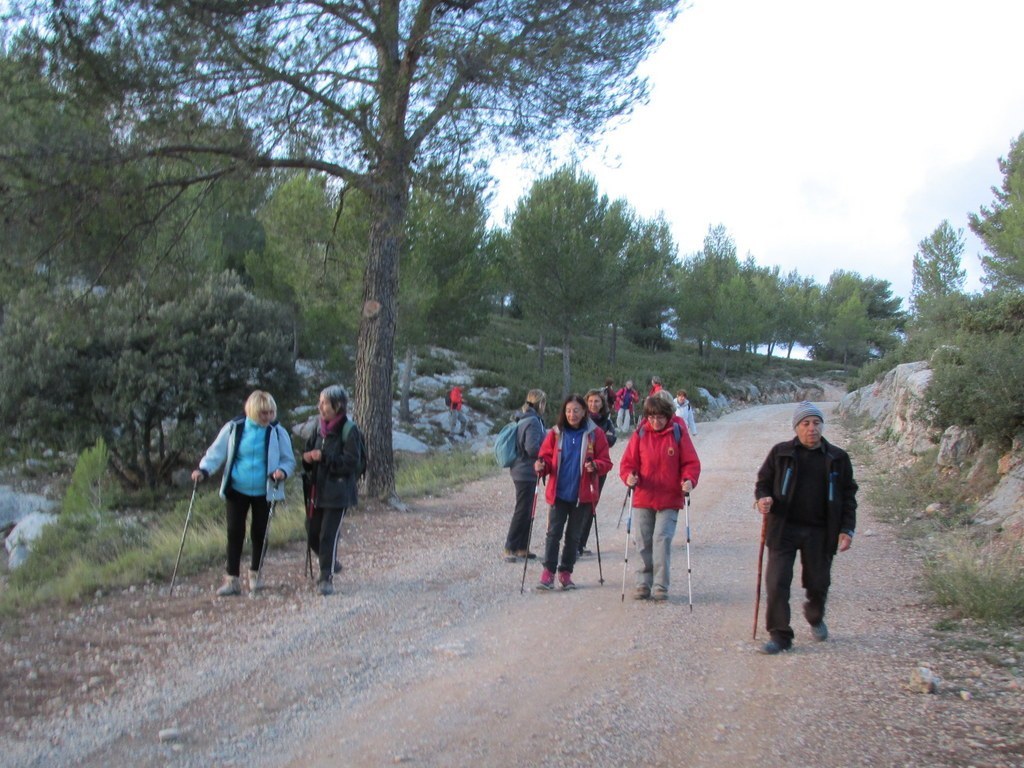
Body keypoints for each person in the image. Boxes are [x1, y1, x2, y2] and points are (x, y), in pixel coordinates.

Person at [754, 402, 857, 654]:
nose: (812, 428)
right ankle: (780, 635)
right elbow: (763, 483)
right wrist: (763, 499)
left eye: (816, 423)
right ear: (796, 427)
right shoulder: (781, 453)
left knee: (818, 582)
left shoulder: (838, 458)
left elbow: (848, 496)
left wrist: (847, 529)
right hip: (783, 528)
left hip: (821, 531)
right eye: (806, 423)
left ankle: (814, 615)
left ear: (822, 425)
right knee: (776, 581)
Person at [192, 390, 295, 597]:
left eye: (271, 412)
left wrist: (282, 471)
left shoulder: (277, 431)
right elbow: (216, 452)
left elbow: (288, 459)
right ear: (253, 411)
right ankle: (232, 580)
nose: (268, 417)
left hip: (264, 491)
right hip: (237, 489)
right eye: (263, 413)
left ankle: (256, 575)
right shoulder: (235, 428)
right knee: (234, 532)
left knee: (260, 532)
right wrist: (203, 470)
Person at [619, 395, 701, 601]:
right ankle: (643, 583)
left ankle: (660, 585)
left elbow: (691, 462)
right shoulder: (640, 433)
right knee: (643, 541)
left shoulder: (677, 432)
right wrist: (629, 476)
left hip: (669, 497)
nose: (656, 421)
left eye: (660, 417)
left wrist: (689, 480)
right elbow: (628, 462)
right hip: (644, 495)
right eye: (652, 417)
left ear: (668, 416)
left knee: (661, 539)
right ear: (646, 416)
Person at [534, 394, 612, 590]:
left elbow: (607, 462)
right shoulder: (555, 433)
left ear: (584, 411)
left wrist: (596, 465)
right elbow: (544, 458)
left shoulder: (596, 434)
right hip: (559, 493)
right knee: (553, 534)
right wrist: (540, 466)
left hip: (583, 495)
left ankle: (565, 573)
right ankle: (548, 573)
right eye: (568, 411)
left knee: (573, 537)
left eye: (576, 410)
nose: (572, 414)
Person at [302, 385, 363, 596]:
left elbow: (352, 462)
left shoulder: (349, 429)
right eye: (320, 402)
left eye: (325, 403)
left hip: (338, 492)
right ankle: (330, 561)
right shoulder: (318, 428)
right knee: (312, 531)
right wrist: (307, 459)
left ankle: (325, 577)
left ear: (338, 405)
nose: (321, 406)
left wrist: (325, 458)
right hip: (317, 491)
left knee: (328, 534)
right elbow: (308, 453)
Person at [503, 389, 547, 562]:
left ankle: (521, 547)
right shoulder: (534, 422)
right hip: (526, 471)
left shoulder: (524, 418)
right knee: (523, 509)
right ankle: (510, 546)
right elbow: (532, 448)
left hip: (521, 470)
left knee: (527, 508)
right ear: (540, 403)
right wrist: (544, 452)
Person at [577, 388, 617, 557]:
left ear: (602, 404)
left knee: (591, 505)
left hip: (599, 469)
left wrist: (596, 439)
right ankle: (573, 543)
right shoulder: (579, 419)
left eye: (597, 401)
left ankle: (581, 543)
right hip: (580, 468)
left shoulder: (607, 422)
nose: (593, 404)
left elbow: (612, 439)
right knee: (577, 505)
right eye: (591, 401)